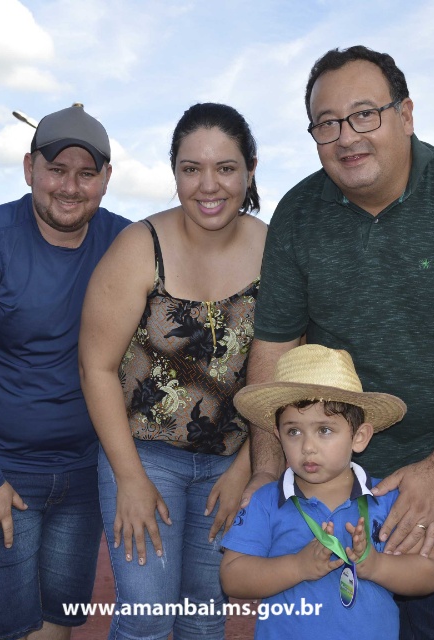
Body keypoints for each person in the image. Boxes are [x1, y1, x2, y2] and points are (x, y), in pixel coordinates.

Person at [245, 45, 434, 638]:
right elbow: (273, 352)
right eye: (326, 123)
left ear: (406, 114)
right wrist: (266, 475)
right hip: (334, 494)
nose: (346, 137)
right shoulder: (299, 211)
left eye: (365, 114)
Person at [0, 103, 128, 640]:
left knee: (59, 626)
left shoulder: (125, 244)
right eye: (57, 169)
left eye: (87, 173)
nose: (71, 187)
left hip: (82, 476)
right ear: (29, 167)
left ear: (106, 179)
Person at [79, 102, 264, 639]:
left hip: (231, 460)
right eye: (191, 168)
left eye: (226, 168)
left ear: (250, 169)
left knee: (205, 624)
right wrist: (129, 478)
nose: (209, 185)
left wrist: (246, 468)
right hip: (142, 455)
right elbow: (96, 366)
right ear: (175, 172)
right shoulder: (140, 246)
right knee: (148, 621)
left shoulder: (275, 250)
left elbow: (279, 378)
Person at [221, 345, 434, 639]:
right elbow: (232, 577)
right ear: (278, 437)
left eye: (324, 430)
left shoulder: (387, 499)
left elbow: (430, 573)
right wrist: (297, 566)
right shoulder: (264, 501)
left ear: (359, 437)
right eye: (293, 431)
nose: (307, 446)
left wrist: (375, 565)